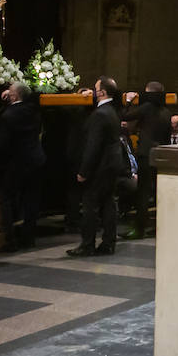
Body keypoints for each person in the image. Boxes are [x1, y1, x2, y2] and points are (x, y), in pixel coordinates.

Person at [68, 76, 125, 257]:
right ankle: (109, 242)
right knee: (108, 203)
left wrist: (84, 171)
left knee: (90, 205)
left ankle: (87, 244)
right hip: (113, 164)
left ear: (101, 92)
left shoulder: (100, 114)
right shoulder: (113, 110)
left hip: (100, 166)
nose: (92, 92)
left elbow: (93, 146)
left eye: (95, 89)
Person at [0, 81, 45, 250]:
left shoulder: (8, 115)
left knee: (6, 198)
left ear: (14, 96)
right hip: (36, 161)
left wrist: (0, 163)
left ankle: (9, 240)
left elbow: (3, 145)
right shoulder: (34, 111)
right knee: (31, 200)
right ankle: (28, 238)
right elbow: (33, 98)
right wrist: (11, 96)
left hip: (17, 163)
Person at [121, 82, 173, 239]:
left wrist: (128, 101)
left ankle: (139, 229)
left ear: (148, 93)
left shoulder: (147, 107)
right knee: (159, 192)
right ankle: (159, 227)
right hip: (161, 154)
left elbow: (124, 116)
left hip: (146, 154)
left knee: (142, 193)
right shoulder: (166, 111)